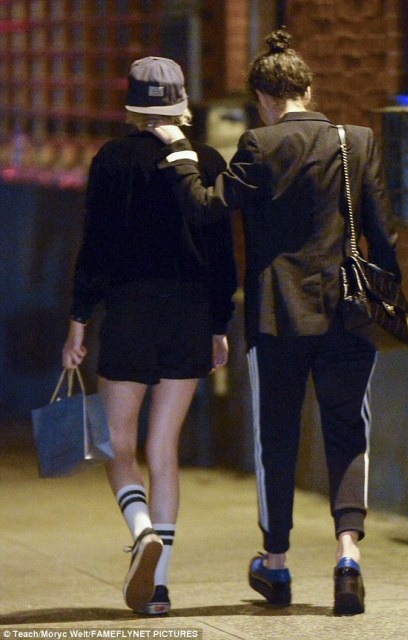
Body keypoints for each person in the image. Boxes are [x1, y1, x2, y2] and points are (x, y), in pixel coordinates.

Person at [150, 29, 403, 616]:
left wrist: (180, 153)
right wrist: (384, 297)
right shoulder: (356, 141)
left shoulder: (259, 145)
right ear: (308, 89)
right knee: (349, 432)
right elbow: (384, 235)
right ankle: (348, 558)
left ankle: (277, 562)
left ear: (263, 98)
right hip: (349, 314)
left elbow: (207, 206)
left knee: (277, 439)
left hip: (277, 316)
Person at [62, 56, 237, 615]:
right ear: (182, 102)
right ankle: (158, 589)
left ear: (133, 106)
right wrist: (218, 325)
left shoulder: (113, 159)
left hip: (130, 312)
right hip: (190, 315)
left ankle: (141, 530)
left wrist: (79, 319)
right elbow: (222, 252)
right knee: (164, 448)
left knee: (118, 443)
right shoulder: (206, 160)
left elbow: (95, 243)